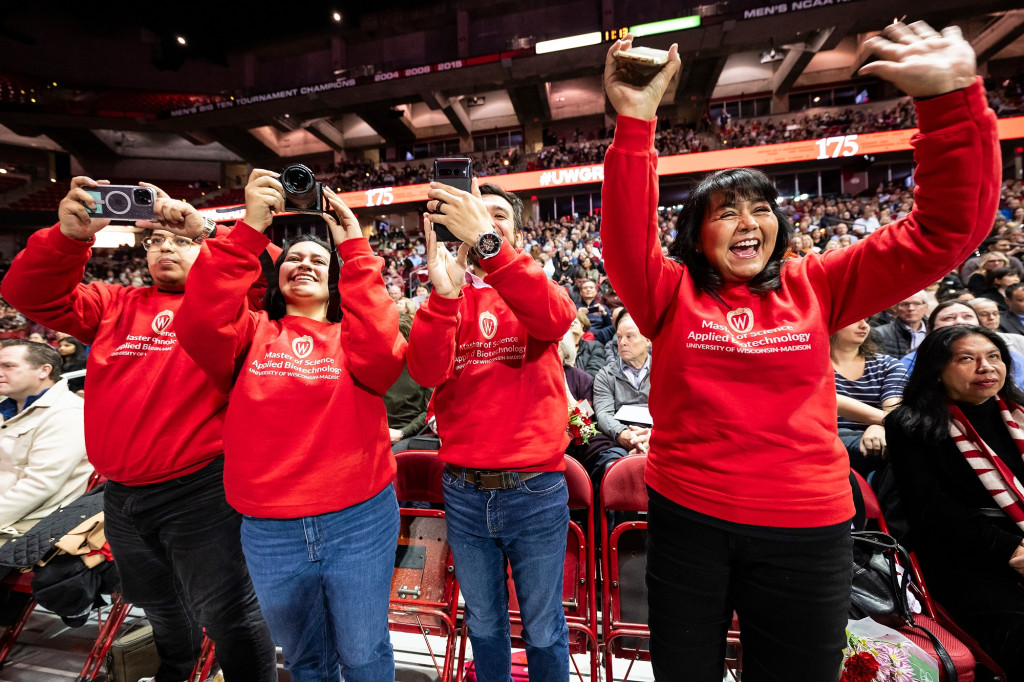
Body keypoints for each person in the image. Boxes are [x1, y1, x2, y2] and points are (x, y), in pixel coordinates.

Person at [601, 21, 999, 680]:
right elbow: (624, 236)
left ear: (780, 226)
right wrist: (636, 121)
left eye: (760, 208)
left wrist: (951, 102)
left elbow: (944, 230)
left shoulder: (818, 285)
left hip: (805, 527)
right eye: (724, 212)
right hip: (690, 521)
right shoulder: (668, 293)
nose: (747, 221)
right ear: (698, 237)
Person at [0, 177, 277, 682]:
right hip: (121, 493)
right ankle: (177, 669)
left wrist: (209, 228)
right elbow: (26, 291)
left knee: (229, 612)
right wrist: (69, 237)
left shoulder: (238, 307)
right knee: (158, 603)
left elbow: (277, 272)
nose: (165, 248)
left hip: (200, 490)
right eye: (155, 240)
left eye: (180, 240)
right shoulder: (115, 302)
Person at [173, 170, 406, 682]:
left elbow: (387, 358)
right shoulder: (249, 333)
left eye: (318, 260)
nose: (304, 264)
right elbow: (197, 321)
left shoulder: (354, 335)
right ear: (275, 275)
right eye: (294, 258)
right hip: (269, 528)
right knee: (304, 660)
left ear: (336, 278)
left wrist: (358, 251)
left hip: (358, 520)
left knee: (365, 654)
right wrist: (248, 230)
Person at [408, 181, 575, 682]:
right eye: (477, 213)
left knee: (543, 626)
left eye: (497, 215)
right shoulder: (448, 294)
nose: (484, 219)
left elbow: (556, 317)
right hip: (464, 489)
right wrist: (442, 297)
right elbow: (425, 372)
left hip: (536, 488)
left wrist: (487, 242)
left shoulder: (532, 288)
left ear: (517, 235)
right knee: (482, 621)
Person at [886, 325, 1024, 677]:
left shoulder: (1019, 413)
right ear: (937, 371)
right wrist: (1010, 549)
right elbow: (932, 510)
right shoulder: (911, 425)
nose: (986, 367)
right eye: (967, 359)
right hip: (968, 555)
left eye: (993, 356)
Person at [0, 339, 91, 541]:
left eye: (8, 366)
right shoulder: (8, 406)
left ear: (44, 371)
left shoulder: (67, 413)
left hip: (22, 528)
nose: (0, 372)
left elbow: (39, 486)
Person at [830, 319, 906, 477]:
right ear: (830, 323)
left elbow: (894, 412)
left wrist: (879, 427)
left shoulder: (888, 365)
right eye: (855, 319)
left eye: (866, 319)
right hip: (829, 436)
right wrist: (884, 423)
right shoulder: (811, 365)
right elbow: (828, 398)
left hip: (881, 435)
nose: (864, 325)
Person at [593, 312, 651, 455]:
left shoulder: (664, 370)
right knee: (607, 460)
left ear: (648, 340)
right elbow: (603, 414)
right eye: (619, 337)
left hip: (657, 435)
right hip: (619, 438)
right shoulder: (605, 375)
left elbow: (675, 413)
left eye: (629, 336)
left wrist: (653, 435)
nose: (622, 342)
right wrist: (622, 434)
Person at [873, 291, 928, 358]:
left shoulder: (934, 330)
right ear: (895, 308)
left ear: (926, 307)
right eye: (905, 304)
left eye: (916, 303)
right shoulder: (879, 333)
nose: (911, 308)